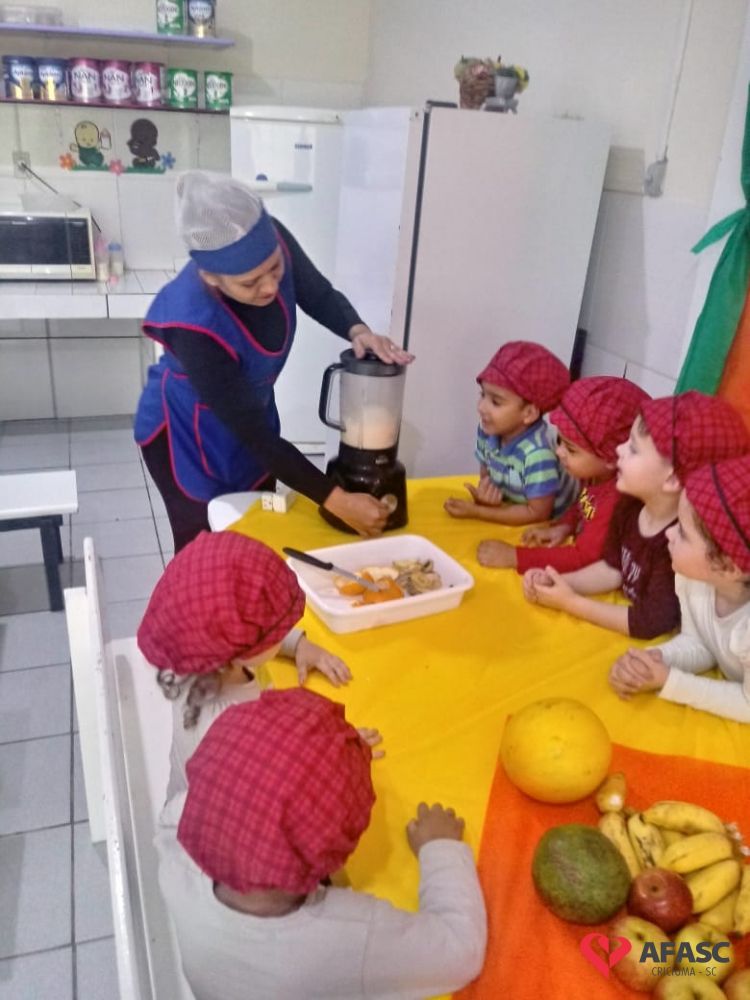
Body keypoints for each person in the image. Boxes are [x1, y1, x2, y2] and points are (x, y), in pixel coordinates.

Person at [134, 171, 414, 552]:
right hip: (187, 434)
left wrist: (358, 330)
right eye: (250, 283)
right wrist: (337, 500)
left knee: (259, 528)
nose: (270, 286)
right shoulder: (193, 325)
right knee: (206, 549)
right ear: (212, 277)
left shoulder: (271, 240)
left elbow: (318, 294)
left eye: (275, 270)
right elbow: (256, 437)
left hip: (251, 418)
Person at [155, 688, 488, 1000]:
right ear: (339, 848)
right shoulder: (349, 938)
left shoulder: (174, 848)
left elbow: (239, 791)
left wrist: (329, 755)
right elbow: (461, 951)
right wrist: (441, 849)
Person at [137, 530, 381, 799]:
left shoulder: (197, 652)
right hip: (217, 810)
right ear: (242, 647)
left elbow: (239, 624)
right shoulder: (229, 736)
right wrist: (330, 755)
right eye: (278, 630)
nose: (285, 627)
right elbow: (278, 784)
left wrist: (297, 644)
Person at [523, 391, 750, 639]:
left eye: (633, 448)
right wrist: (560, 582)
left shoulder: (681, 544)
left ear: (672, 478)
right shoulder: (628, 505)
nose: (618, 449)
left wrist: (571, 603)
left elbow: (650, 622)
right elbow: (613, 569)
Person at [609, 455, 750, 722]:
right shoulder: (694, 578)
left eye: (683, 533)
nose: (669, 533)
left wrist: (671, 681)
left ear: (727, 566)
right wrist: (653, 661)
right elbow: (702, 644)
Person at [476, 376, 649, 571]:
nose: (559, 452)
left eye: (571, 449)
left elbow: (583, 558)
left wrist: (515, 557)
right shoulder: (595, 475)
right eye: (559, 441)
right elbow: (582, 505)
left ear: (612, 458)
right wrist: (565, 526)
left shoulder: (616, 501)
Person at [444, 340, 577, 526]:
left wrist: (477, 512)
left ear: (529, 413)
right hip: (513, 507)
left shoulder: (538, 454)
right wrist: (487, 495)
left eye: (496, 402)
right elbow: (487, 473)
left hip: (549, 525)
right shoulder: (487, 430)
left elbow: (538, 514)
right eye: (482, 395)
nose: (481, 407)